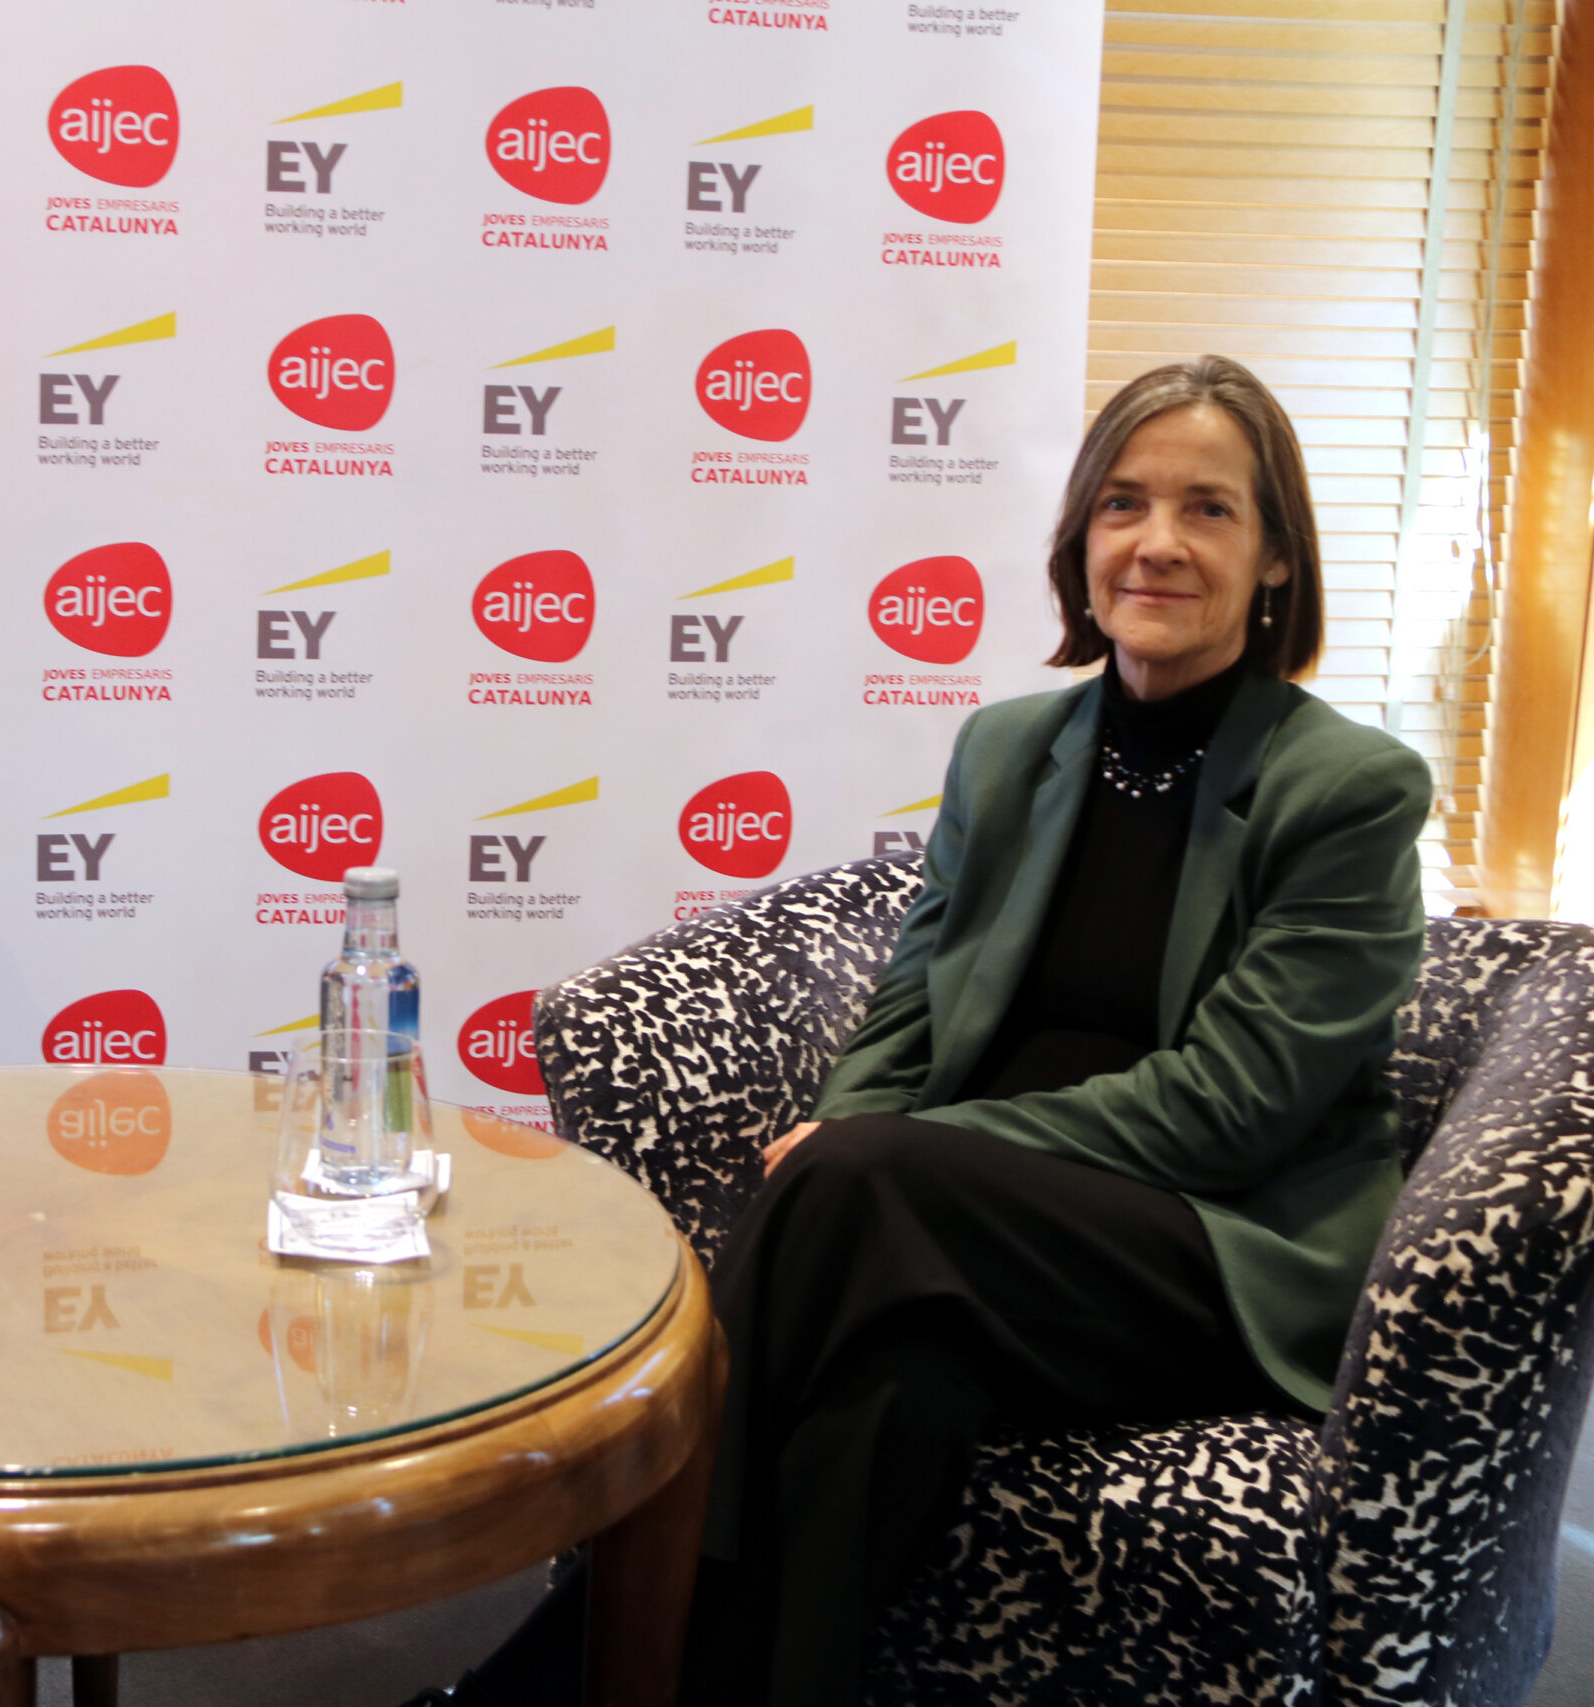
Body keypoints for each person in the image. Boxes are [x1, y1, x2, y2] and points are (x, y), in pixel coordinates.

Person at [438, 354, 1431, 1707]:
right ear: (1079, 541)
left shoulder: (1349, 791)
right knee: (891, 1389)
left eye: (1209, 509)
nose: (1156, 542)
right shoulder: (1010, 750)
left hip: (1208, 1252)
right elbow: (909, 1000)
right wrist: (866, 1126)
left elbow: (1233, 1109)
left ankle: (540, 1684)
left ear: (1275, 560)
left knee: (860, 1182)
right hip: (962, 1243)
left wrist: (901, 1151)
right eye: (1124, 503)